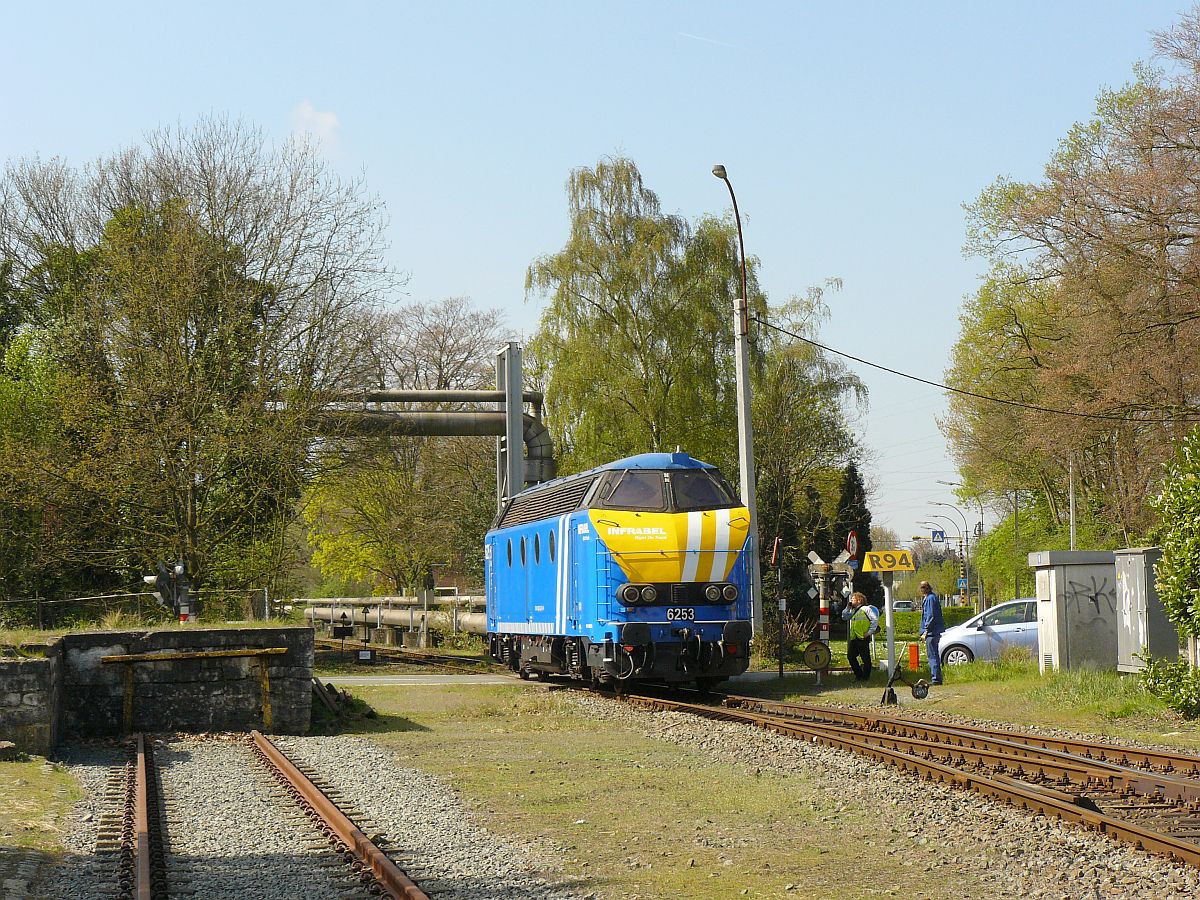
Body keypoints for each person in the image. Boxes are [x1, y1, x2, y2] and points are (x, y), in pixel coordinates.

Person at [841, 591, 879, 681]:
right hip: (854, 637)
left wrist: (869, 632)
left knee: (865, 658)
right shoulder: (853, 610)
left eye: (853, 599)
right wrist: (847, 607)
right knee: (850, 656)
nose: (851, 601)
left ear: (859, 600)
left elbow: (874, 620)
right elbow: (844, 617)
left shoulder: (866, 609)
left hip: (863, 637)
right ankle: (859, 675)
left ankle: (865, 677)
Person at [918, 581, 946, 685]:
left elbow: (930, 616)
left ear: (927, 588)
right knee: (934, 655)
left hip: (931, 632)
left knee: (932, 656)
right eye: (921, 587)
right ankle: (937, 678)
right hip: (933, 631)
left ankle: (936, 679)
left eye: (923, 587)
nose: (921, 589)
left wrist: (926, 630)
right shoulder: (931, 598)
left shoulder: (930, 599)